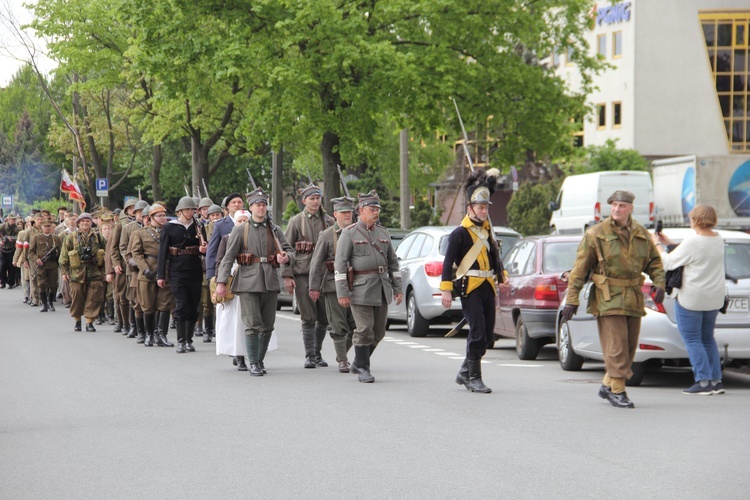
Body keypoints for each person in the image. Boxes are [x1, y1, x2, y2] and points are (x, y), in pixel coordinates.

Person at [562, 190, 666, 409]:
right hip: (608, 296)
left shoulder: (640, 233)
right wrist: (572, 299)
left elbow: (654, 262)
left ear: (630, 208)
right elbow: (579, 270)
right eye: (614, 205)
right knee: (616, 345)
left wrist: (660, 282)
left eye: (622, 205)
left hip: (633, 297)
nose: (617, 209)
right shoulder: (596, 233)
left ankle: (608, 384)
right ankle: (618, 390)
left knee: (629, 346)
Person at [214, 188, 293, 376]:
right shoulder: (240, 230)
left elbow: (290, 250)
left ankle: (259, 359)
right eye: (258, 205)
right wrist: (221, 282)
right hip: (248, 281)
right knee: (252, 324)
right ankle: (254, 363)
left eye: (264, 204)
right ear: (251, 207)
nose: (262, 208)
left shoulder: (274, 230)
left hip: (270, 280)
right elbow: (228, 257)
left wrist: (286, 257)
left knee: (268, 324)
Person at [440, 172, 505, 394]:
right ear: (470, 209)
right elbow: (448, 263)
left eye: (486, 207)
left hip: (488, 287)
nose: (484, 211)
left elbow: (494, 259)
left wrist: (501, 275)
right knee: (477, 332)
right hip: (470, 288)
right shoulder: (460, 233)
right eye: (480, 207)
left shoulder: (488, 232)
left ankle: (464, 371)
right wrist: (446, 290)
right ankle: (473, 378)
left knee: (486, 337)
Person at [652, 205, 726, 395]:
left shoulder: (693, 241)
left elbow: (668, 263)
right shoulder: (718, 239)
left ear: (697, 220)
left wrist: (657, 245)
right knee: (707, 338)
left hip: (692, 298)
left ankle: (702, 382)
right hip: (713, 297)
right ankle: (715, 381)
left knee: (693, 339)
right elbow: (695, 254)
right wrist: (670, 243)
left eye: (691, 217)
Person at [334, 190, 403, 383]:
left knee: (379, 332)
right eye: (372, 209)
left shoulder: (383, 232)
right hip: (360, 289)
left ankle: (358, 361)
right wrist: (342, 292)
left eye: (377, 209)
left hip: (381, 288)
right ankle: (363, 368)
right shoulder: (349, 233)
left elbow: (393, 263)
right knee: (364, 329)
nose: (376, 212)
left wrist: (397, 288)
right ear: (361, 210)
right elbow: (340, 265)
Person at [283, 183, 335, 368]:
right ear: (304, 200)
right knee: (308, 316)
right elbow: (287, 249)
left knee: (324, 316)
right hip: (303, 274)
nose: (315, 202)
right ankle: (310, 356)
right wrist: (287, 276)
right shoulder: (296, 221)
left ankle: (317, 353)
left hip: (324, 274)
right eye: (311, 198)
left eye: (317, 198)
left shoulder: (329, 221)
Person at [309, 196, 357, 373]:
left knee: (357, 325)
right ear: (335, 214)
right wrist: (314, 287)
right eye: (343, 212)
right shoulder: (327, 235)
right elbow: (316, 263)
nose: (347, 215)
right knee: (338, 324)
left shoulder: (357, 231)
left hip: (356, 285)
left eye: (350, 212)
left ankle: (342, 351)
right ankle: (343, 360)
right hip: (332, 285)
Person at [157, 197, 207, 353]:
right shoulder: (169, 228)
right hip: (176, 270)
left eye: (192, 210)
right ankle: (181, 340)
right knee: (181, 305)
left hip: (195, 269)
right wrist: (161, 275)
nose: (190, 212)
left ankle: (189, 339)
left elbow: (205, 247)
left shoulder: (198, 226)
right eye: (187, 210)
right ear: (179, 211)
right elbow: (162, 252)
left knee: (193, 306)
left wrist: (204, 249)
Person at [213, 209, 254, 370]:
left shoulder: (255, 238)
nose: (242, 224)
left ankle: (253, 353)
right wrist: (220, 282)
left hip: (251, 281)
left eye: (245, 221)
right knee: (236, 322)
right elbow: (220, 261)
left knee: (250, 320)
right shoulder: (227, 238)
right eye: (239, 221)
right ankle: (239, 354)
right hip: (233, 284)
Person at [132, 204, 175, 348]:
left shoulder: (170, 231)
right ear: (151, 218)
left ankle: (161, 335)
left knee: (164, 304)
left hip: (166, 271)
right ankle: (149, 334)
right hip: (148, 273)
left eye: (164, 215)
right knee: (148, 306)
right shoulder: (140, 233)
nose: (163, 218)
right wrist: (145, 270)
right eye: (159, 216)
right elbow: (136, 254)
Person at [59, 213, 107, 332]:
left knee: (94, 298)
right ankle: (77, 320)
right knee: (77, 298)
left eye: (87, 221)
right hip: (76, 273)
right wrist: (64, 272)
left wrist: (105, 272)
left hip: (94, 272)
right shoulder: (71, 237)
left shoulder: (98, 237)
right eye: (83, 221)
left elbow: (106, 255)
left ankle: (89, 322)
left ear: (91, 223)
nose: (85, 223)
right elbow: (64, 256)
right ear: (78, 223)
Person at [107, 199, 137, 335]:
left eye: (134, 208)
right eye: (130, 208)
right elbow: (113, 249)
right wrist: (116, 264)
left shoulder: (141, 223)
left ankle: (133, 323)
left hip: (137, 266)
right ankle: (123, 322)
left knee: (134, 296)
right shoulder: (120, 225)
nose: (132, 210)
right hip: (123, 265)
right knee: (122, 297)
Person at [28, 219, 62, 312]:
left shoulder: (56, 238)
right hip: (41, 265)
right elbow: (31, 252)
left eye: (49, 226)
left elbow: (61, 252)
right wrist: (37, 259)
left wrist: (60, 262)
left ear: (51, 228)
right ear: (41, 228)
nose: (47, 228)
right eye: (45, 226)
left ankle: (50, 302)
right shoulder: (36, 238)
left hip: (52, 265)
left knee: (53, 285)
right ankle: (44, 304)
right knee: (41, 284)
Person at [0, 212, 20, 289]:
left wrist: (12, 239)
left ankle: (11, 282)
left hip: (12, 248)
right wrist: (2, 239)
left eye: (14, 219)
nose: (13, 221)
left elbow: (19, 237)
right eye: (12, 219)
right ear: (8, 219)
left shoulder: (17, 228)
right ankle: (2, 281)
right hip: (3, 248)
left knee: (11, 266)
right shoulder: (3, 226)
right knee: (2, 266)